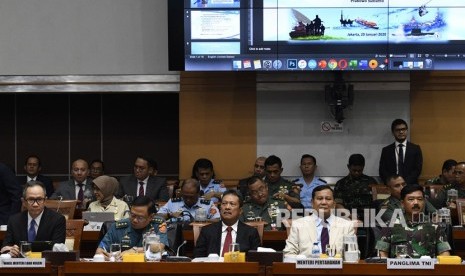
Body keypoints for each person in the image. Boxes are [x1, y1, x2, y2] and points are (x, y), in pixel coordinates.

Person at [376, 184, 451, 258]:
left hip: (426, 269)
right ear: (402, 204)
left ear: (424, 202)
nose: (416, 203)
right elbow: (382, 254)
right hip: (399, 269)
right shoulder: (390, 225)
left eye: (420, 199)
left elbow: (444, 253)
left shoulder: (434, 225)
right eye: (411, 199)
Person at [283, 185, 355, 257]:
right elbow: (289, 253)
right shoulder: (298, 225)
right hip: (307, 267)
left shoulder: (347, 226)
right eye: (319, 199)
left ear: (334, 204)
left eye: (328, 199)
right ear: (312, 203)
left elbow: (352, 256)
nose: (324, 202)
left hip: (336, 267)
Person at [1, 181, 66, 257]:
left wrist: (23, 249)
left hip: (46, 265)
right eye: (31, 200)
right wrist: (10, 251)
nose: (35, 204)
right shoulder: (14, 220)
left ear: (45, 200)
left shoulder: (57, 220)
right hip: (20, 266)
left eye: (39, 199)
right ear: (24, 202)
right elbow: (5, 247)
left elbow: (57, 250)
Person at [96, 196, 169, 260]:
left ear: (151, 217)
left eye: (140, 217)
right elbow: (100, 250)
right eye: (132, 215)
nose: (134, 220)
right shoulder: (118, 227)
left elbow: (159, 247)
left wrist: (134, 251)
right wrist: (101, 254)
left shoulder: (158, 224)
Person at [193, 189, 261, 257]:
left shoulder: (251, 233)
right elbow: (198, 258)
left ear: (240, 211)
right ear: (220, 208)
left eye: (232, 204)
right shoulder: (207, 231)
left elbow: (255, 261)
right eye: (224, 203)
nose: (227, 207)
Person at [379, 119, 423, 185]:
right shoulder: (386, 150)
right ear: (393, 132)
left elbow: (417, 170)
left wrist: (404, 183)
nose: (401, 132)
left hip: (410, 185)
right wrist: (392, 183)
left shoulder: (415, 149)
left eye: (403, 129)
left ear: (407, 130)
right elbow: (382, 170)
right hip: (392, 186)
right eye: (398, 130)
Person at [334, 154, 377, 219]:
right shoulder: (341, 184)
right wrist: (347, 214)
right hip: (347, 218)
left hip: (368, 218)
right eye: (354, 170)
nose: (357, 173)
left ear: (363, 167)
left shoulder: (371, 182)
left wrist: (372, 213)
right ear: (348, 167)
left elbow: (377, 202)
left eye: (360, 170)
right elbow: (338, 204)